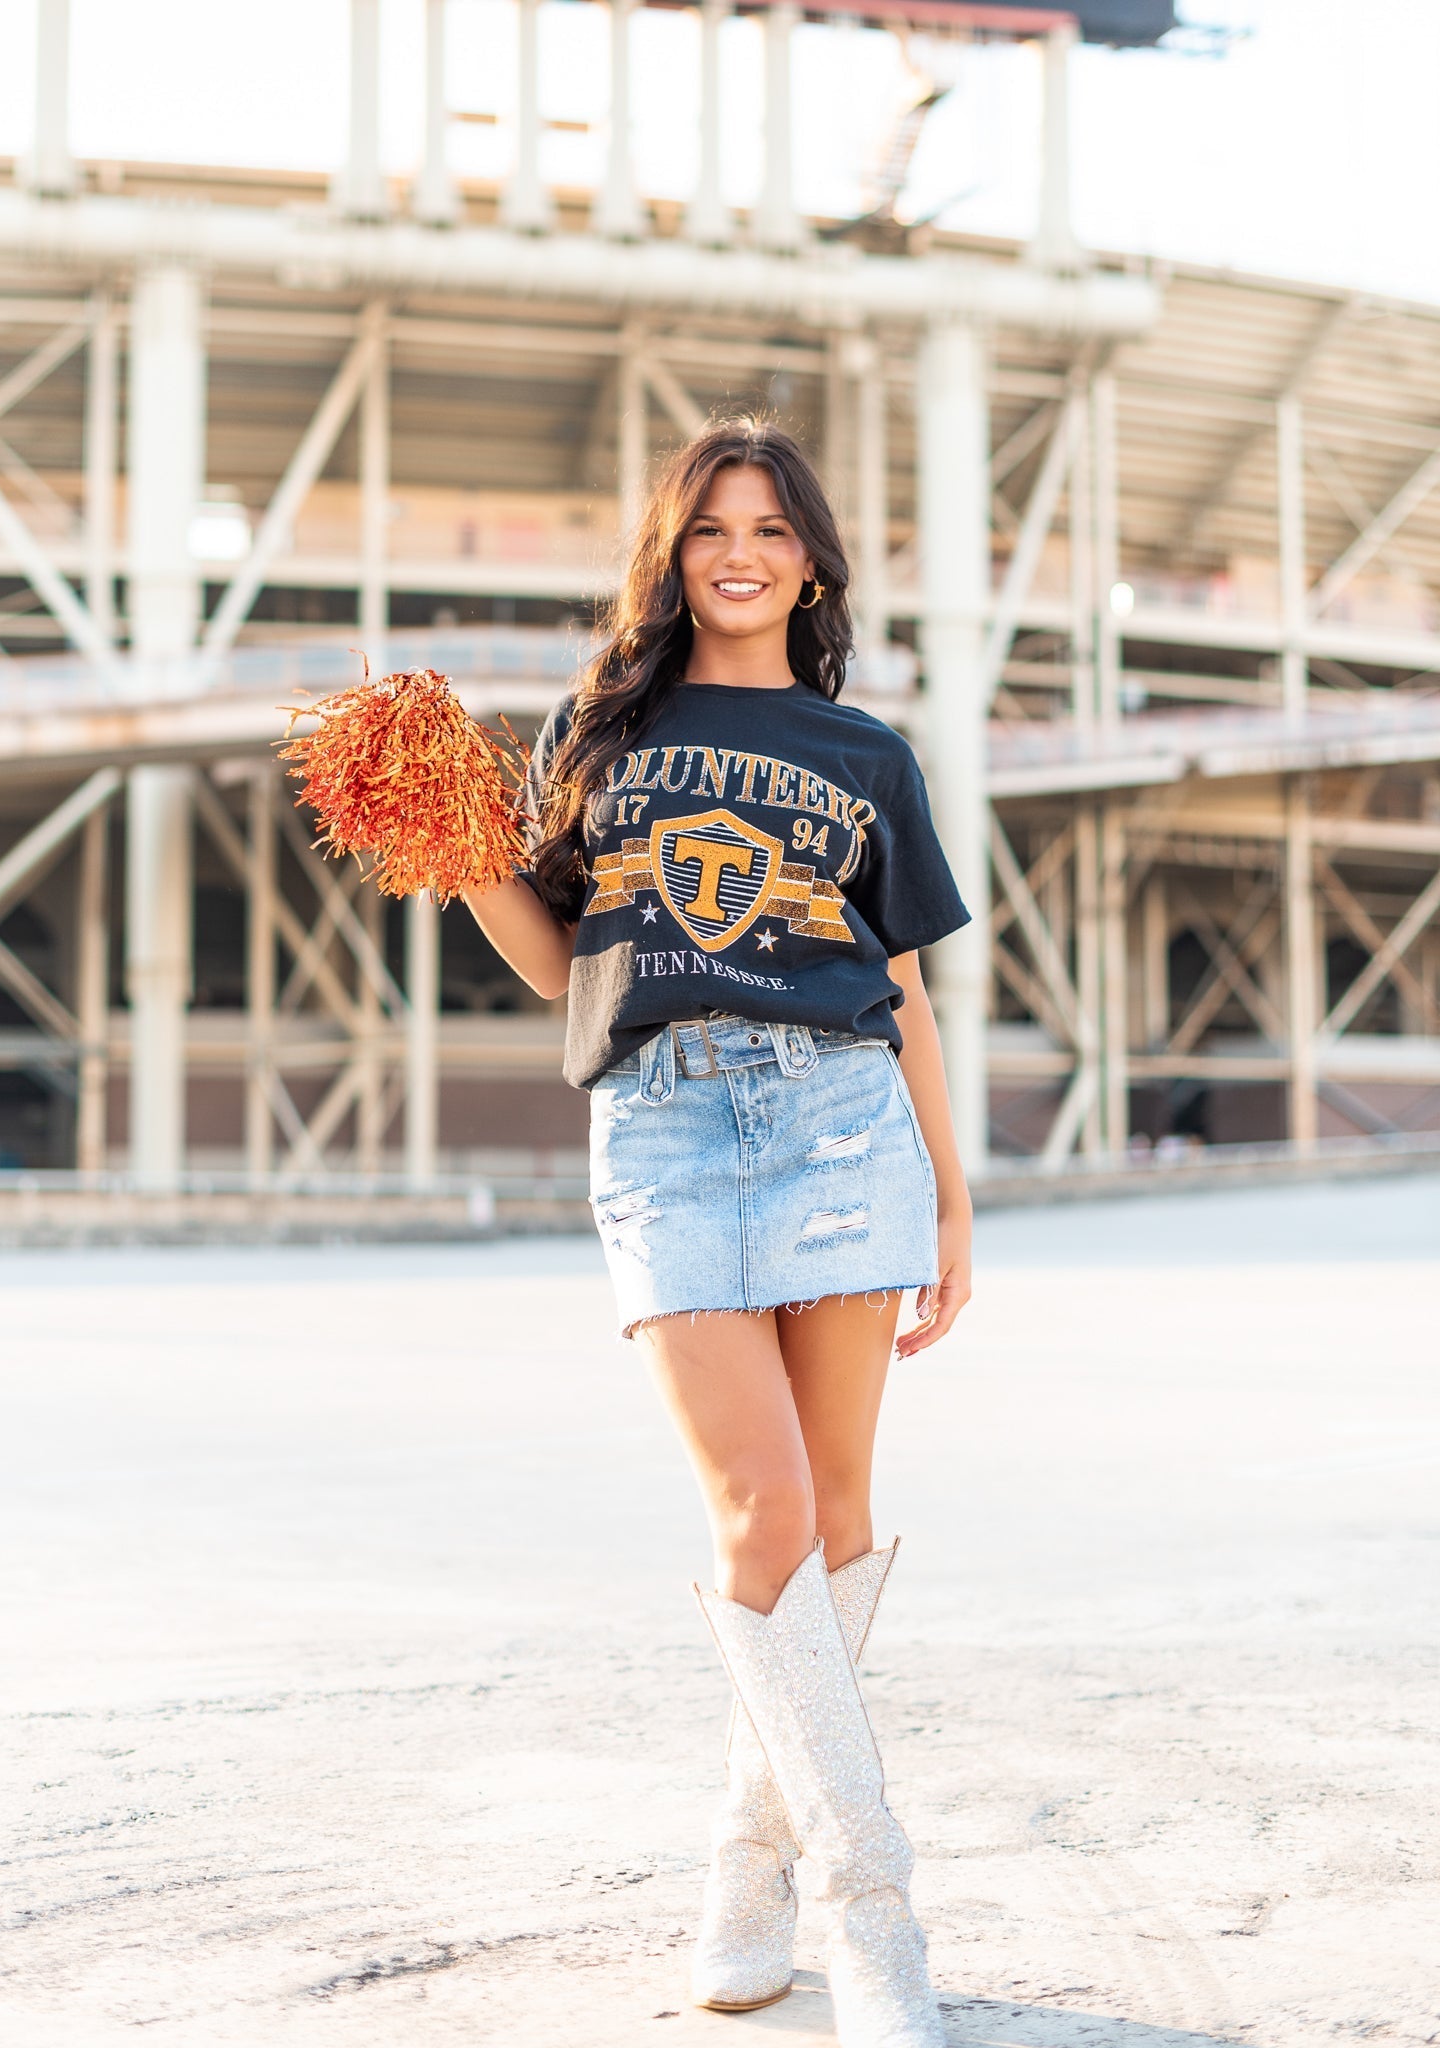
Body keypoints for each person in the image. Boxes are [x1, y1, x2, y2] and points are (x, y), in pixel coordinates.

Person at [464, 419, 972, 2048]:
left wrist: (954, 1200)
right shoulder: (599, 729)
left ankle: (749, 1864)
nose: (738, 552)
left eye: (768, 527)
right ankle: (869, 1899)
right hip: (667, 1128)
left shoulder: (865, 753)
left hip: (840, 1120)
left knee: (835, 1521)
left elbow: (904, 993)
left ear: (809, 558)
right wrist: (469, 853)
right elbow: (561, 968)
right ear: (671, 555)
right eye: (707, 528)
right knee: (758, 1513)